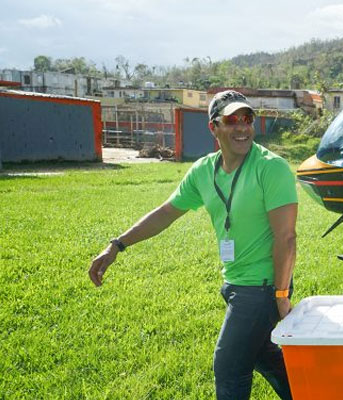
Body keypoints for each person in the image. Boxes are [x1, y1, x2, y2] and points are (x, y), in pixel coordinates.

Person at [88, 90, 297, 400]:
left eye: (248, 119)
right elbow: (166, 213)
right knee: (261, 354)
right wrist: (117, 245)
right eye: (232, 120)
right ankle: (311, 389)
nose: (242, 128)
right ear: (213, 127)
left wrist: (280, 296)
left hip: (262, 287)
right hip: (236, 282)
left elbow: (286, 237)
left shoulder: (270, 168)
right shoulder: (203, 171)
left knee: (229, 368)